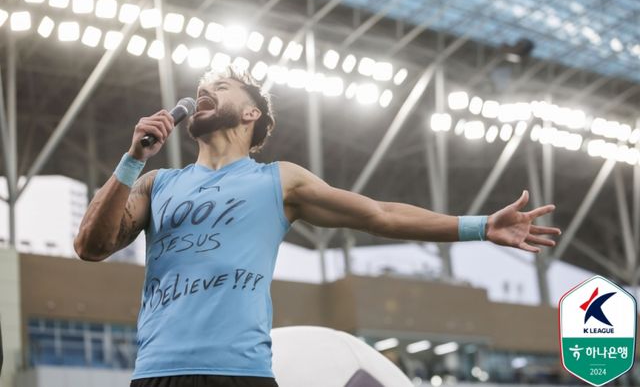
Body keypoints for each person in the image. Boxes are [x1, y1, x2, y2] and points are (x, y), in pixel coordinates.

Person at [74, 67, 561, 387]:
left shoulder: (278, 181)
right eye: (205, 86)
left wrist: (480, 226)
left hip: (239, 373)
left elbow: (380, 214)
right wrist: (133, 159)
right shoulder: (157, 183)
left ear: (250, 113)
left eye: (221, 87)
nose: (206, 89)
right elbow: (91, 246)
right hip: (157, 371)